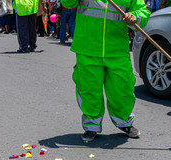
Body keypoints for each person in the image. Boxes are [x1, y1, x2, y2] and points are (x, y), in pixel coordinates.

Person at [60, 0, 150, 142]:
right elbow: (68, 3)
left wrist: (135, 16)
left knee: (122, 88)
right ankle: (91, 125)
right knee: (89, 89)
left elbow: (142, 12)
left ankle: (124, 122)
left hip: (117, 49)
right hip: (87, 46)